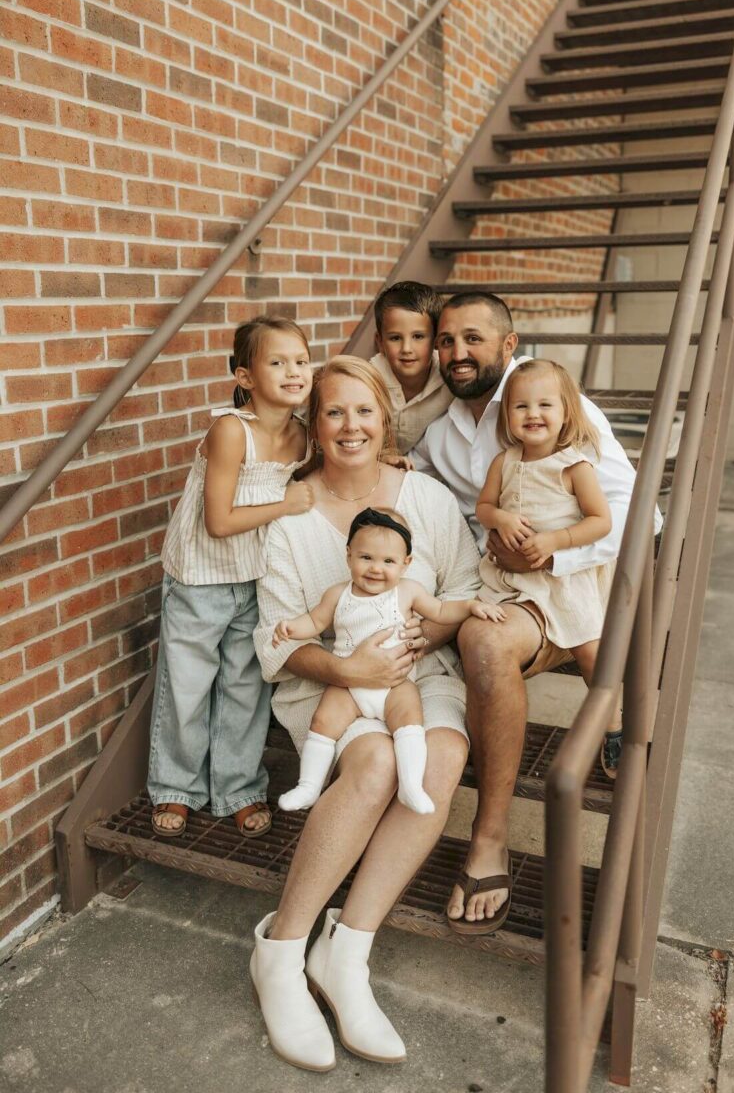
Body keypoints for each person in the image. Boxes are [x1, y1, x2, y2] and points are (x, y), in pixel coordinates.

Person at [251, 355, 480, 1073]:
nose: (351, 425)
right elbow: (277, 636)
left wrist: (424, 636)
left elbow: (461, 594)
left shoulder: (431, 501)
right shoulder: (292, 515)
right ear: (315, 426)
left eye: (364, 410)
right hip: (325, 687)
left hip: (419, 674)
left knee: (440, 754)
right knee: (376, 760)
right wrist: (348, 667)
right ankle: (281, 953)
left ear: (386, 418)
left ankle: (346, 954)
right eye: (333, 412)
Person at [408, 289, 657, 933]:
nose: (456, 352)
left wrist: (551, 555)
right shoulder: (442, 431)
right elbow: (452, 502)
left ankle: (489, 837)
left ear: (509, 345)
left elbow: (638, 512)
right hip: (496, 581)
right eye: (446, 341)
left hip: (563, 576)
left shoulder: (550, 404)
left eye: (473, 339)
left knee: (486, 646)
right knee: (465, 634)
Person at [147, 317, 313, 840]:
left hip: (255, 579)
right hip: (202, 578)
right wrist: (285, 503)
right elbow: (218, 523)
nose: (294, 371)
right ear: (245, 376)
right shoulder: (230, 430)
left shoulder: (303, 436)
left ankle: (238, 789)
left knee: (245, 689)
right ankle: (176, 787)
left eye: (302, 361)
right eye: (278, 361)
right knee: (189, 687)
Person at [273, 505, 505, 815]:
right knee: (323, 721)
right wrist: (290, 628)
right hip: (349, 685)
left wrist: (471, 606)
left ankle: (411, 786)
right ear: (349, 555)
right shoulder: (337, 594)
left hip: (395, 683)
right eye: (366, 557)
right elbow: (314, 622)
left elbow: (439, 611)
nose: (375, 569)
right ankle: (309, 786)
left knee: (409, 718)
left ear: (406, 564)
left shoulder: (408, 592)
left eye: (388, 561)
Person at [476, 359, 621, 794]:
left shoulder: (575, 466)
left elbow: (601, 521)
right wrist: (499, 517)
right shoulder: (504, 461)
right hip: (511, 579)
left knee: (591, 651)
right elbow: (484, 508)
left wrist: (557, 540)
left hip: (562, 578)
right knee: (477, 631)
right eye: (521, 406)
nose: (532, 414)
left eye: (545, 405)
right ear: (508, 417)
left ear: (565, 412)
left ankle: (613, 722)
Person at [369, 280, 453, 453]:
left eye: (418, 336)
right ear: (380, 342)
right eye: (395, 338)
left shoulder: (449, 379)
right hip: (375, 463)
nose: (406, 349)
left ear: (436, 340)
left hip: (427, 466)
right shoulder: (368, 378)